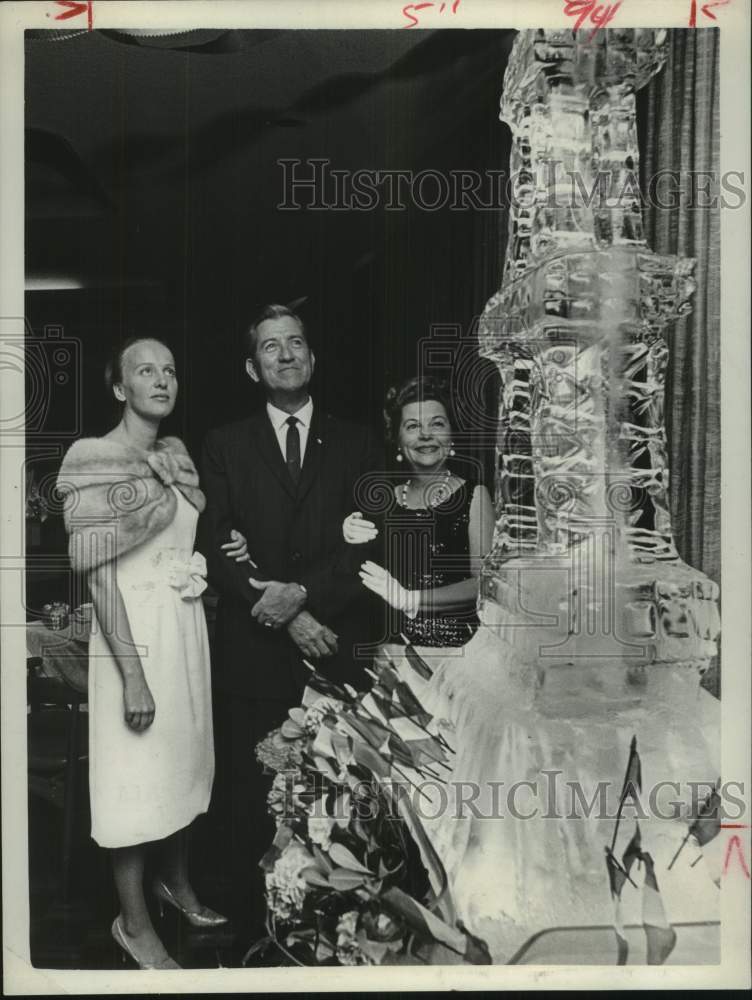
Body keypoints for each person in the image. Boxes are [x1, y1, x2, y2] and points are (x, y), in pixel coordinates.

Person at [200, 304, 381, 942]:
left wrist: (303, 597)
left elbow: (370, 542)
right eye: (270, 347)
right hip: (255, 656)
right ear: (253, 368)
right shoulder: (224, 444)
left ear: (313, 358)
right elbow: (217, 540)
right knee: (256, 800)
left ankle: (335, 941)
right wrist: (286, 613)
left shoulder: (360, 441)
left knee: (337, 800)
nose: (285, 354)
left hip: (335, 648)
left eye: (296, 343)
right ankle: (258, 939)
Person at [56, 337, 238, 970]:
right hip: (130, 636)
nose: (161, 380)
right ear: (119, 388)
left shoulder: (177, 457)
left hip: (184, 630)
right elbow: (100, 577)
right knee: (133, 781)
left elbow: (189, 540)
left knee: (185, 764)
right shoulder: (92, 459)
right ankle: (133, 924)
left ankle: (176, 884)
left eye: (170, 369)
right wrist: (133, 676)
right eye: (144, 371)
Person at [342, 375, 495, 648]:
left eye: (437, 423)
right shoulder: (383, 499)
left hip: (455, 654)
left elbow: (484, 584)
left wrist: (412, 600)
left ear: (451, 433)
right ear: (397, 438)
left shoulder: (475, 495)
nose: (426, 434)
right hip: (388, 650)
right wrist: (343, 531)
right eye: (412, 426)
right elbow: (353, 573)